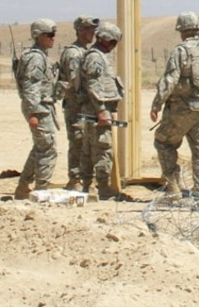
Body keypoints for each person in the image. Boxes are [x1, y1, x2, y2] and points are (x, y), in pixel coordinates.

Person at [150, 11, 199, 199]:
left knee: (163, 142)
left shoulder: (181, 51)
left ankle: (173, 187)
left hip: (182, 108)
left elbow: (170, 79)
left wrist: (157, 104)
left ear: (181, 31)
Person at [77, 21, 125, 200]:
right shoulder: (95, 58)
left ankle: (88, 187)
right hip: (96, 112)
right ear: (105, 40)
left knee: (90, 149)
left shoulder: (99, 56)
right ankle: (103, 188)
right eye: (113, 42)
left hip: (96, 111)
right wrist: (102, 110)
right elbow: (94, 85)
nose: (114, 47)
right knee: (102, 149)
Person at [14, 19, 59, 200]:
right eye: (49, 35)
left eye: (53, 35)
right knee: (48, 148)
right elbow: (31, 86)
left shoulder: (40, 56)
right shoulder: (35, 58)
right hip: (38, 108)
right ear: (38, 36)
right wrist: (33, 113)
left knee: (40, 147)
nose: (52, 39)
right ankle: (41, 189)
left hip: (41, 106)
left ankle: (24, 186)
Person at [59, 15, 99, 191]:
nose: (93, 33)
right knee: (78, 141)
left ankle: (85, 179)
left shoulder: (85, 52)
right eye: (89, 29)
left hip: (85, 106)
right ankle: (75, 180)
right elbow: (76, 83)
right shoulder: (74, 53)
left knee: (87, 142)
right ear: (80, 31)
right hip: (76, 105)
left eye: (93, 29)